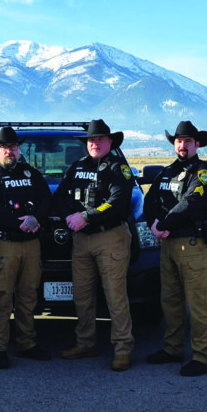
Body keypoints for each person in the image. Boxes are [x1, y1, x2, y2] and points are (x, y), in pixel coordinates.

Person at [55, 119, 135, 371]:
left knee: (115, 296)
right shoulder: (76, 167)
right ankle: (86, 343)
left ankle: (123, 348)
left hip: (109, 237)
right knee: (83, 295)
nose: (95, 143)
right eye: (91, 140)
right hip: (81, 240)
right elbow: (60, 196)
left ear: (110, 142)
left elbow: (118, 202)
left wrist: (86, 216)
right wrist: (71, 217)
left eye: (100, 139)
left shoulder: (118, 168)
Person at [142, 120, 207, 377]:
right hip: (168, 243)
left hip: (191, 245)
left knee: (197, 304)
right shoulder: (166, 172)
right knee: (170, 301)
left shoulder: (202, 172)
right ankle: (173, 348)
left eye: (187, 142)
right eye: (178, 141)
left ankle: (203, 357)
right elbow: (150, 200)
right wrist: (154, 223)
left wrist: (164, 223)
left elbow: (192, 202)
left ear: (197, 144)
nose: (182, 145)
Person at [0, 126, 54, 369]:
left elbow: (46, 200)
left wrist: (35, 219)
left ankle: (27, 344)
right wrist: (18, 224)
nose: (10, 151)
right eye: (5, 147)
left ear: (19, 150)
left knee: (28, 297)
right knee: (2, 299)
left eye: (14, 147)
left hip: (31, 245)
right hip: (4, 245)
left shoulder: (32, 174)